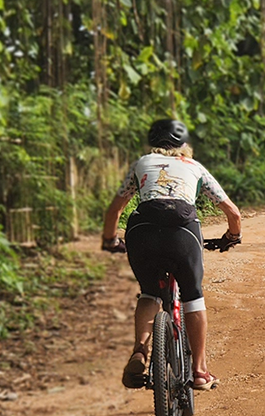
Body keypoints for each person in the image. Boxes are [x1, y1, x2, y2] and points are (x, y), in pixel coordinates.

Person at [102, 119, 243, 392]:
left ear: (152, 144)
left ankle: (140, 353)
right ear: (184, 145)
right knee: (193, 295)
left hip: (142, 230)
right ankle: (200, 372)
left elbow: (114, 210)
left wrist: (110, 240)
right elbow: (233, 213)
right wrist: (232, 236)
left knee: (149, 293)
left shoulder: (142, 163)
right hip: (182, 233)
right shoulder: (194, 167)